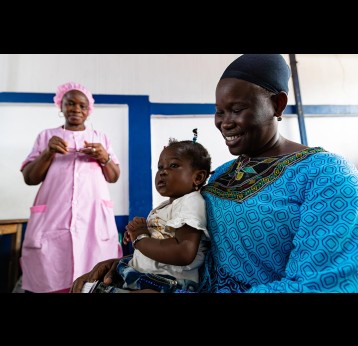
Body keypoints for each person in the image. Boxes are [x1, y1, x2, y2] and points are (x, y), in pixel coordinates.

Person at [71, 54, 358, 293]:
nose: (224, 123)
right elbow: (196, 252)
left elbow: (324, 282)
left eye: (237, 109)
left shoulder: (325, 175)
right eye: (219, 111)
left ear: (277, 104)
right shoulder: (221, 176)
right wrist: (130, 264)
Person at [20, 81, 123, 293]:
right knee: (50, 274)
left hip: (93, 219)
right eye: (70, 104)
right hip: (52, 219)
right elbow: (30, 178)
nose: (76, 109)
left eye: (82, 106)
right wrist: (48, 153)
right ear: (60, 106)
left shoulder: (100, 138)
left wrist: (104, 158)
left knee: (94, 279)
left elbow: (113, 177)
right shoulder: (46, 136)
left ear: (89, 110)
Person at [73, 136, 212, 293]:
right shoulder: (166, 206)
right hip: (144, 276)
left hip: (170, 284)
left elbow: (184, 252)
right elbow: (159, 237)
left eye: (173, 165)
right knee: (85, 288)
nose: (163, 172)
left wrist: (140, 238)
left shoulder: (190, 202)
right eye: (160, 167)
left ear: (198, 177)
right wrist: (136, 233)